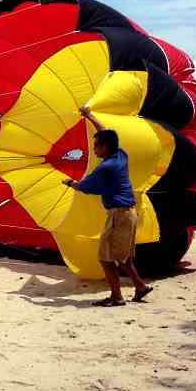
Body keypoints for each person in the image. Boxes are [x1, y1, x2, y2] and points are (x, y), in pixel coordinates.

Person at [64, 106, 153, 307]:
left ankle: (116, 297)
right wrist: (89, 116)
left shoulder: (105, 167)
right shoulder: (120, 154)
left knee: (105, 259)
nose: (94, 149)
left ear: (105, 147)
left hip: (118, 216)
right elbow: (105, 133)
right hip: (129, 213)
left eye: (96, 146)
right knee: (124, 259)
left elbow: (83, 188)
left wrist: (68, 182)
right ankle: (140, 287)